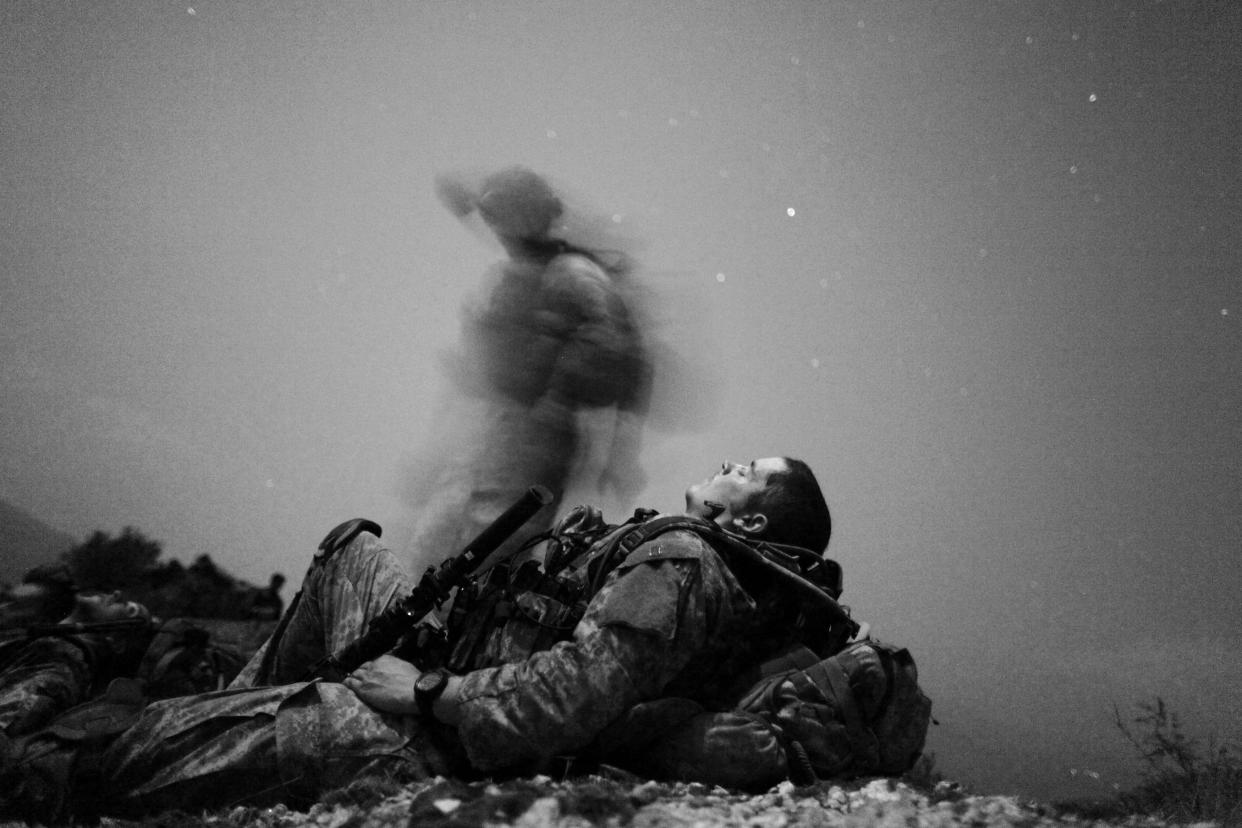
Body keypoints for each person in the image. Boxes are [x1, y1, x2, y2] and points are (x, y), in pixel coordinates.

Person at [0, 455, 840, 822]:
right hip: (451, 668)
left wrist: (426, 693)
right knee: (354, 549)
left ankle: (180, 733)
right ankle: (234, 708)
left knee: (100, 763)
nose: (725, 463)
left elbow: (570, 700)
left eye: (746, 467)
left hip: (438, 737)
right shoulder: (677, 553)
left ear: (751, 515)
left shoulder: (686, 563)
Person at [402, 166, 651, 573]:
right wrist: (433, 452)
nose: (494, 227)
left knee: (477, 572)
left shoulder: (573, 276)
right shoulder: (509, 281)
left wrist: (619, 454)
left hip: (532, 449)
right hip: (482, 444)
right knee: (425, 564)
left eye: (500, 215)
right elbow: (472, 376)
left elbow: (630, 362)